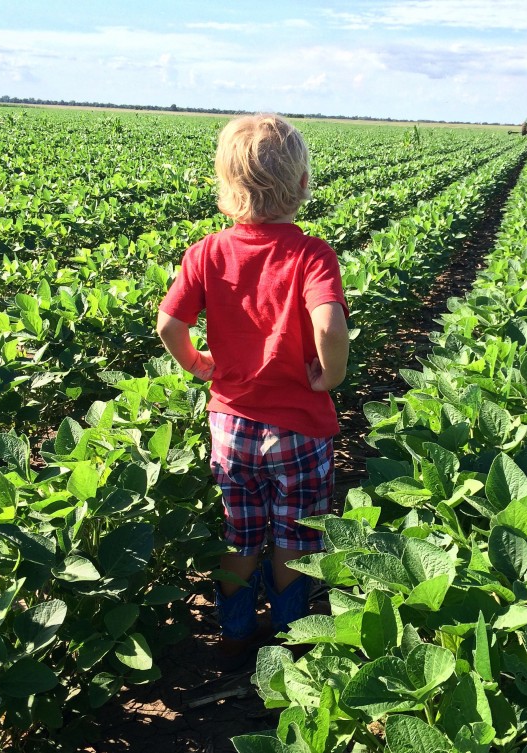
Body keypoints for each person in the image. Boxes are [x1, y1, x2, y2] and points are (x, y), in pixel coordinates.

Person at [156, 114, 349, 671]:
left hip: (232, 426)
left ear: (225, 191)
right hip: (299, 426)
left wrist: (196, 364)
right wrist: (330, 376)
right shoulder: (312, 254)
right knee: (294, 534)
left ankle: (235, 632)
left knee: (240, 532)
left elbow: (169, 325)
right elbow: (330, 326)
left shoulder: (207, 252)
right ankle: (293, 636)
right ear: (304, 185)